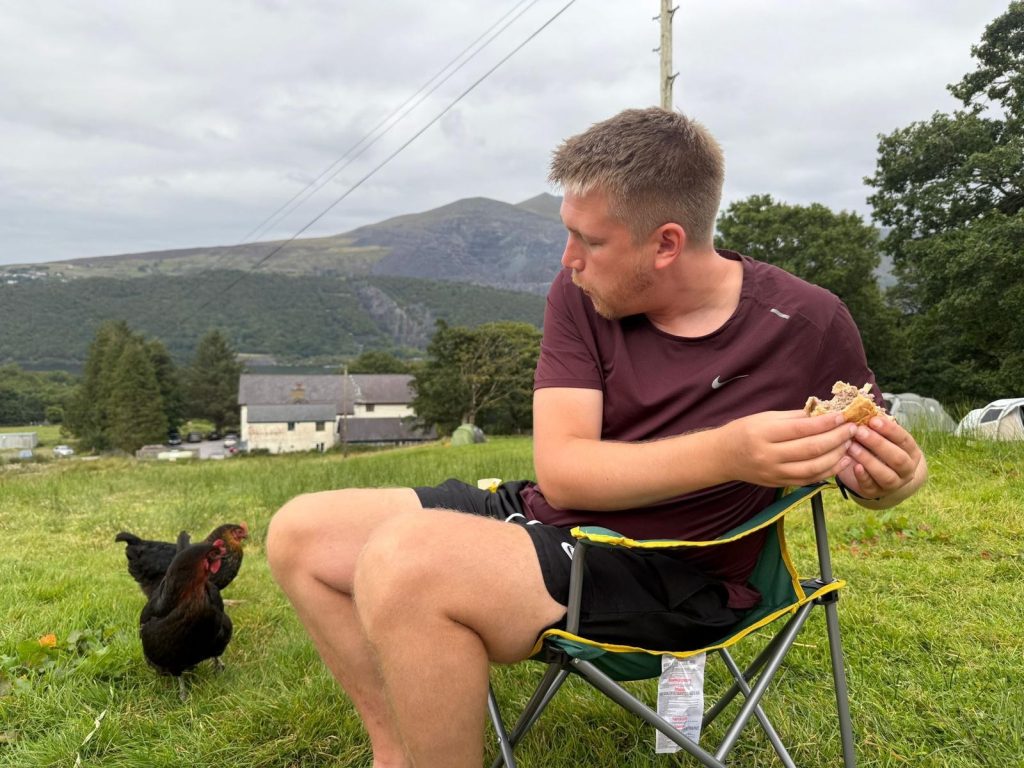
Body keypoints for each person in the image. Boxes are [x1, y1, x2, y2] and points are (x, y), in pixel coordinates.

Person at [267, 107, 927, 768]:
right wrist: (731, 451)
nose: (569, 259)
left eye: (591, 241)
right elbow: (565, 472)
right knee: (303, 534)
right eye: (567, 234)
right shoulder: (580, 293)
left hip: (674, 570)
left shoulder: (807, 322)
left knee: (406, 561)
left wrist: (897, 479)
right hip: (553, 520)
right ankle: (398, 753)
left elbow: (869, 472)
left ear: (665, 244)